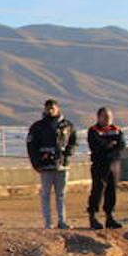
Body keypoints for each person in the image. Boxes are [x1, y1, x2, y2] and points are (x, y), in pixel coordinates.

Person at [26, 98, 77, 229]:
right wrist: (36, 163)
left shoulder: (67, 125)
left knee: (61, 194)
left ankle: (62, 220)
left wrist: (68, 153)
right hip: (45, 166)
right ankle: (48, 222)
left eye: (52, 108)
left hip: (62, 165)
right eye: (47, 108)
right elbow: (31, 146)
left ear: (57, 109)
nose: (50, 110)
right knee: (46, 195)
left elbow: (73, 141)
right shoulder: (38, 127)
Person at [86, 106, 126, 230]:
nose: (108, 119)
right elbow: (97, 146)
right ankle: (94, 216)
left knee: (112, 190)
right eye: (105, 116)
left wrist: (110, 147)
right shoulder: (93, 130)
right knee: (98, 190)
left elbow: (121, 145)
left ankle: (110, 216)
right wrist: (109, 145)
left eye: (109, 117)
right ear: (99, 117)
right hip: (100, 165)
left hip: (114, 164)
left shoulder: (117, 130)